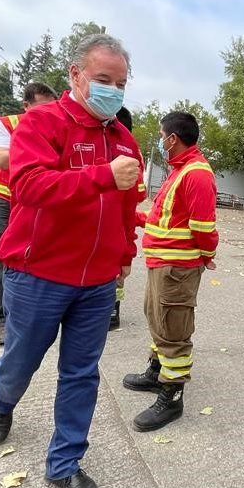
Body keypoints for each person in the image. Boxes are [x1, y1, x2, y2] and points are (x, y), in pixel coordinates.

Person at [0, 33, 144, 488]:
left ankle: (64, 465)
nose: (112, 91)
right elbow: (29, 186)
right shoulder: (43, 122)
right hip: (39, 276)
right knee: (21, 362)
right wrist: (100, 176)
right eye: (103, 80)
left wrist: (122, 259)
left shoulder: (123, 140)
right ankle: (2, 401)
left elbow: (126, 209)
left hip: (96, 284)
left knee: (80, 374)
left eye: (119, 83)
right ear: (75, 76)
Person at [122, 111, 218, 432]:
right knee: (158, 320)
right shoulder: (179, 171)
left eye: (162, 136)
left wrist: (207, 255)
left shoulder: (196, 174)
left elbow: (204, 228)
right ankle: (156, 371)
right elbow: (164, 217)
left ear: (172, 138)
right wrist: (133, 217)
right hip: (162, 265)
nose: (161, 142)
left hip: (177, 268)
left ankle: (172, 396)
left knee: (173, 329)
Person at [0, 82, 58, 346]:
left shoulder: (56, 127)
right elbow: (2, 159)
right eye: (41, 108)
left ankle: (29, 316)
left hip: (41, 201)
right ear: (26, 107)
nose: (47, 113)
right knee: (5, 259)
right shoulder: (8, 124)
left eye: (52, 108)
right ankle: (1, 320)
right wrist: (38, 151)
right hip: (9, 200)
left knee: (40, 259)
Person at [110, 106, 136, 331]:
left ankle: (113, 311)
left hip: (116, 230)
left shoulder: (129, 151)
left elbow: (135, 197)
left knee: (116, 276)